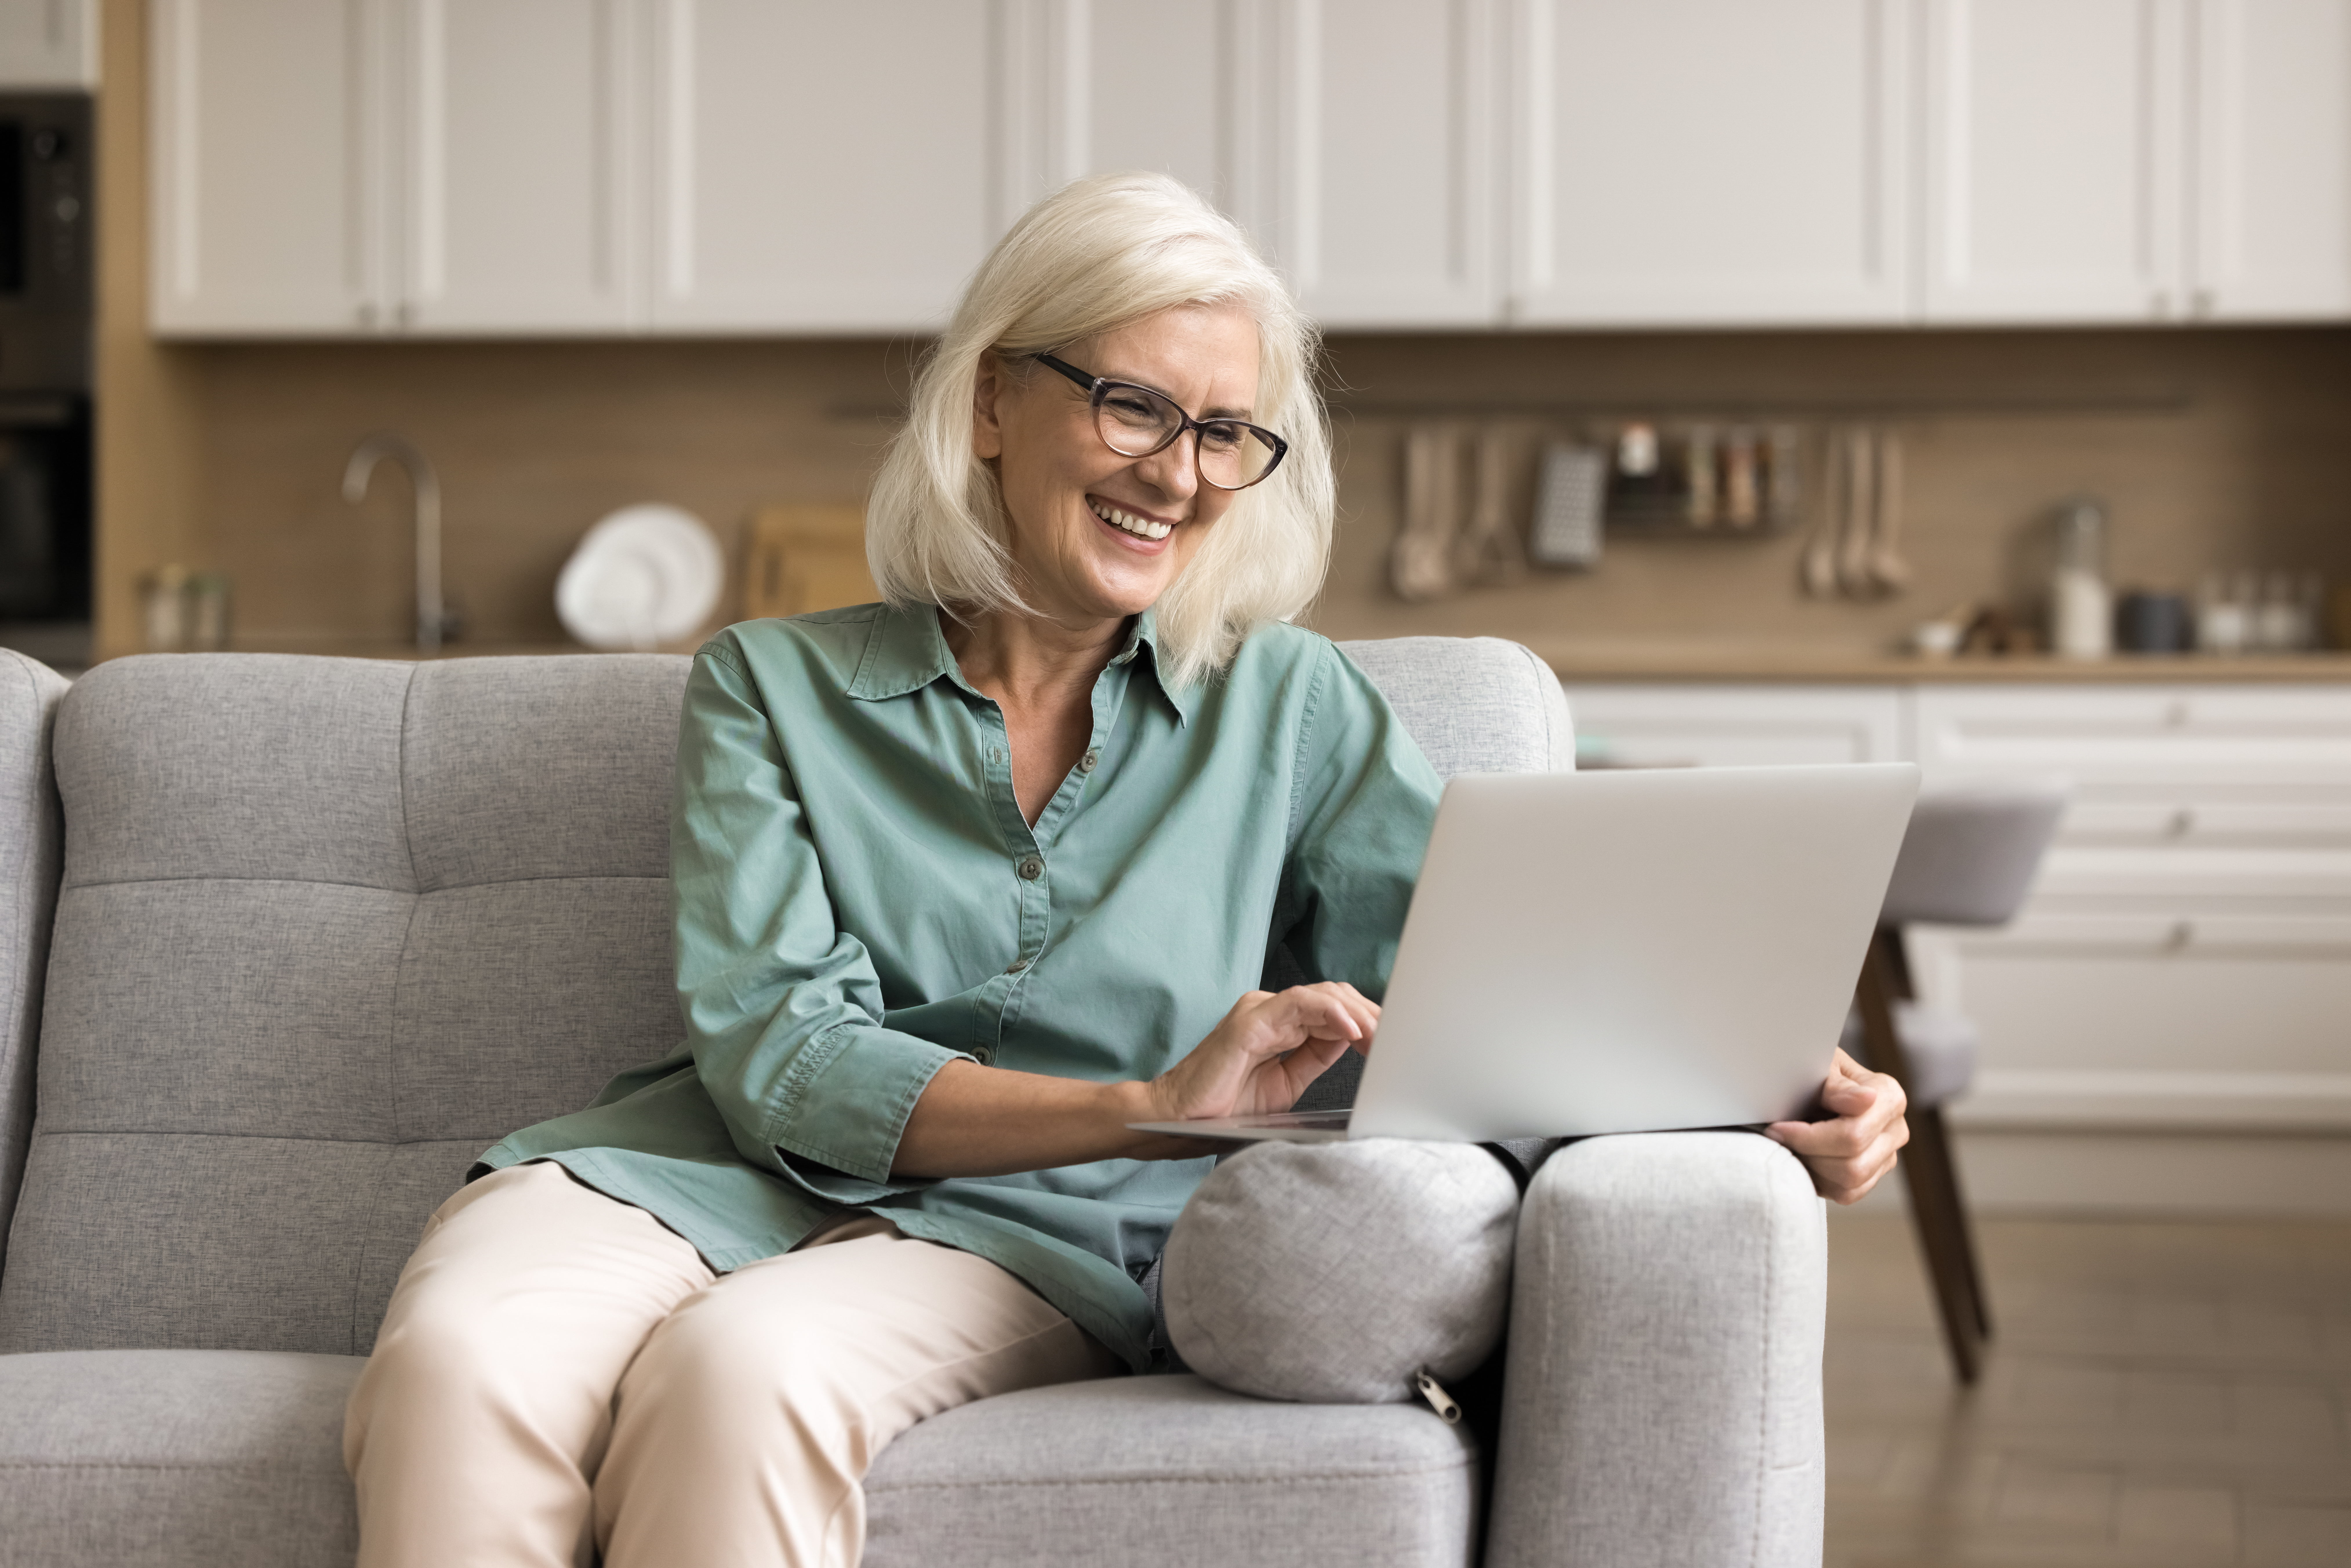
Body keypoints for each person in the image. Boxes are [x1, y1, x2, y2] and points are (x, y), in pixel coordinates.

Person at [341, 171, 1909, 1568]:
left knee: (736, 1377)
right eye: (1135, 406)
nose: (1180, 472)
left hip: (1034, 1233)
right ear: (990, 404)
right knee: (455, 1361)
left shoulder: (1288, 707)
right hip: (687, 1172)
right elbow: (784, 1060)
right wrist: (1152, 1099)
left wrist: (1776, 1079)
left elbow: (1505, 980)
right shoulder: (771, 685)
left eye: (1226, 430)